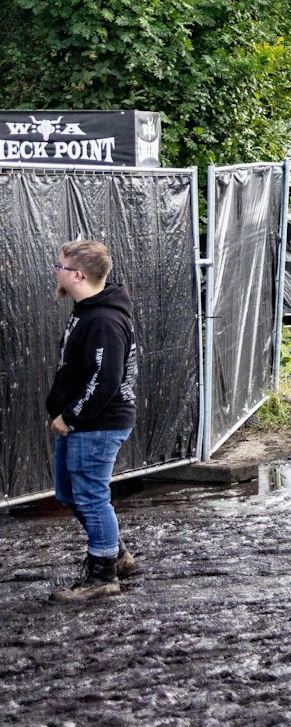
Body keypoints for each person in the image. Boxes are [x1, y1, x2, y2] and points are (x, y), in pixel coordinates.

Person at [46, 239, 139, 602]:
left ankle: (102, 575)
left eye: (60, 267)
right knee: (69, 493)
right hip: (84, 421)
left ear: (78, 274)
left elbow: (105, 380)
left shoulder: (103, 319)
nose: (56, 272)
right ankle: (116, 555)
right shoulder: (88, 309)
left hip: (98, 423)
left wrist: (70, 416)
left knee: (90, 496)